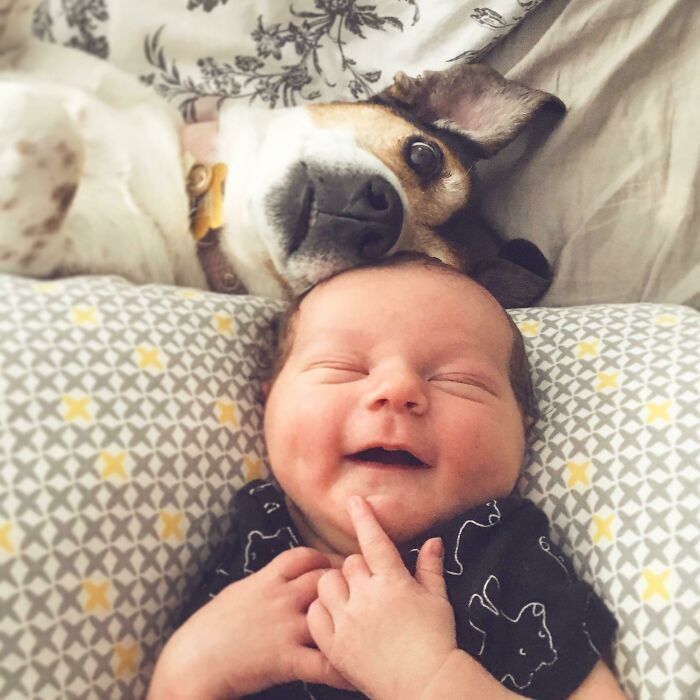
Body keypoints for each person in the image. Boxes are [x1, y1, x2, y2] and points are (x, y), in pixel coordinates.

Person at [148, 253, 626, 700]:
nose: (397, 389)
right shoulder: (252, 550)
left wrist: (428, 675)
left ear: (523, 430)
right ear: (268, 403)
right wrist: (189, 670)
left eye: (458, 380)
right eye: (342, 367)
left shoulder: (507, 562)